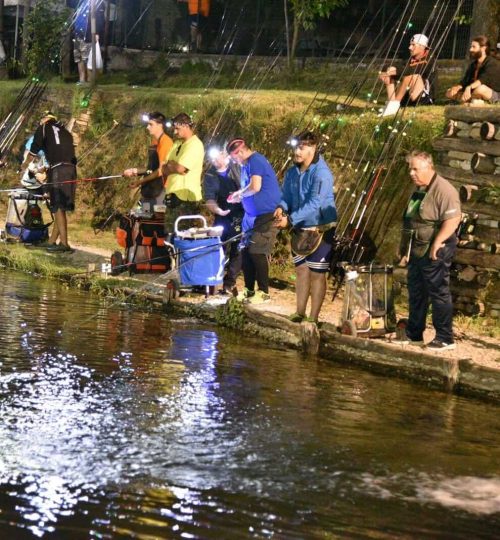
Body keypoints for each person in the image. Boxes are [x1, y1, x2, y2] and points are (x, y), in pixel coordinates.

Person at [398, 151, 461, 351]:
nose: (411, 173)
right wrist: (404, 250)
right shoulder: (418, 189)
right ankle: (414, 333)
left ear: (429, 167)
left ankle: (445, 338)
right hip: (418, 247)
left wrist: (438, 242)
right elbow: (411, 221)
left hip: (437, 247)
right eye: (410, 168)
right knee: (416, 290)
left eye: (415, 168)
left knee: (438, 291)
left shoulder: (445, 190)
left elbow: (453, 219)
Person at [274, 132, 337, 324]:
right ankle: (299, 312)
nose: (296, 151)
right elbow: (286, 196)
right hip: (299, 228)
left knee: (317, 274)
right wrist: (281, 208)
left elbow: (315, 203)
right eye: (295, 147)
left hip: (321, 228)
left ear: (313, 148)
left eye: (301, 147)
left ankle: (313, 317)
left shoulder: (322, 173)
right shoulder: (292, 172)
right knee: (301, 270)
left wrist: (290, 220)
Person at [226, 138, 281, 304]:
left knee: (257, 252)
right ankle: (249, 290)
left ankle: (263, 292)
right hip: (250, 216)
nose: (234, 161)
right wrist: (239, 197)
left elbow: (255, 186)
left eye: (233, 157)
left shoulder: (256, 161)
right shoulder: (245, 165)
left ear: (240, 152)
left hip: (265, 216)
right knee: (245, 251)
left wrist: (239, 195)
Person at [27, 111, 77, 253]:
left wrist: (23, 166)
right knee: (59, 206)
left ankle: (65, 244)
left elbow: (33, 149)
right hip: (71, 169)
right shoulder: (65, 131)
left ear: (45, 119)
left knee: (58, 206)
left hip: (58, 169)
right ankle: (52, 241)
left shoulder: (43, 127)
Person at [203, 148, 244, 295]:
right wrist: (218, 210)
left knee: (237, 249)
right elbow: (209, 198)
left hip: (240, 213)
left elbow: (248, 187)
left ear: (224, 155)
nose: (214, 160)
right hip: (222, 213)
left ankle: (229, 283)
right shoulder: (209, 175)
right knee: (217, 246)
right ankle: (211, 280)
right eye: (212, 158)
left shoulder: (238, 168)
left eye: (217, 156)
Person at [161, 112, 204, 233]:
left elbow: (180, 168)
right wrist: (171, 165)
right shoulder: (177, 143)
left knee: (182, 236)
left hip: (185, 200)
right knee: (169, 236)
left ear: (186, 126)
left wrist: (171, 164)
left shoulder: (195, 145)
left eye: (177, 128)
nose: (175, 132)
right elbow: (163, 167)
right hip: (172, 196)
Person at [123, 112, 173, 212]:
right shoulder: (155, 141)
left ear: (160, 125)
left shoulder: (166, 142)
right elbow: (151, 169)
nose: (147, 127)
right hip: (150, 189)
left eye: (151, 124)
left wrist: (139, 182)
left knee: (155, 221)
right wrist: (135, 171)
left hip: (161, 191)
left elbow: (160, 171)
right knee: (138, 216)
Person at [379, 34, 436, 117]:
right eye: (410, 45)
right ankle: (391, 104)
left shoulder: (430, 59)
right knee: (389, 75)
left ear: (422, 47)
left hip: (424, 99)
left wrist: (396, 70)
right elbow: (398, 65)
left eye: (413, 45)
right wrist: (387, 70)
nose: (410, 47)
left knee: (412, 76)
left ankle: (393, 106)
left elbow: (412, 70)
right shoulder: (411, 58)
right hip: (408, 98)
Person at [446, 36, 500, 104]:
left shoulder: (492, 63)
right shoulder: (473, 64)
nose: (471, 49)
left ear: (483, 48)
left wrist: (469, 87)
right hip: (473, 91)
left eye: (474, 47)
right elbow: (465, 81)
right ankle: (472, 100)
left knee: (480, 89)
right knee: (449, 92)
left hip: (493, 93)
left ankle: (466, 100)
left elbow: (482, 80)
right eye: (471, 47)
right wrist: (457, 87)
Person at [73, 0, 105, 84]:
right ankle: (82, 79)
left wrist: (97, 32)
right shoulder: (81, 2)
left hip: (89, 34)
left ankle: (90, 80)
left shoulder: (97, 2)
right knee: (79, 57)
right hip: (78, 34)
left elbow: (100, 18)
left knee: (87, 58)